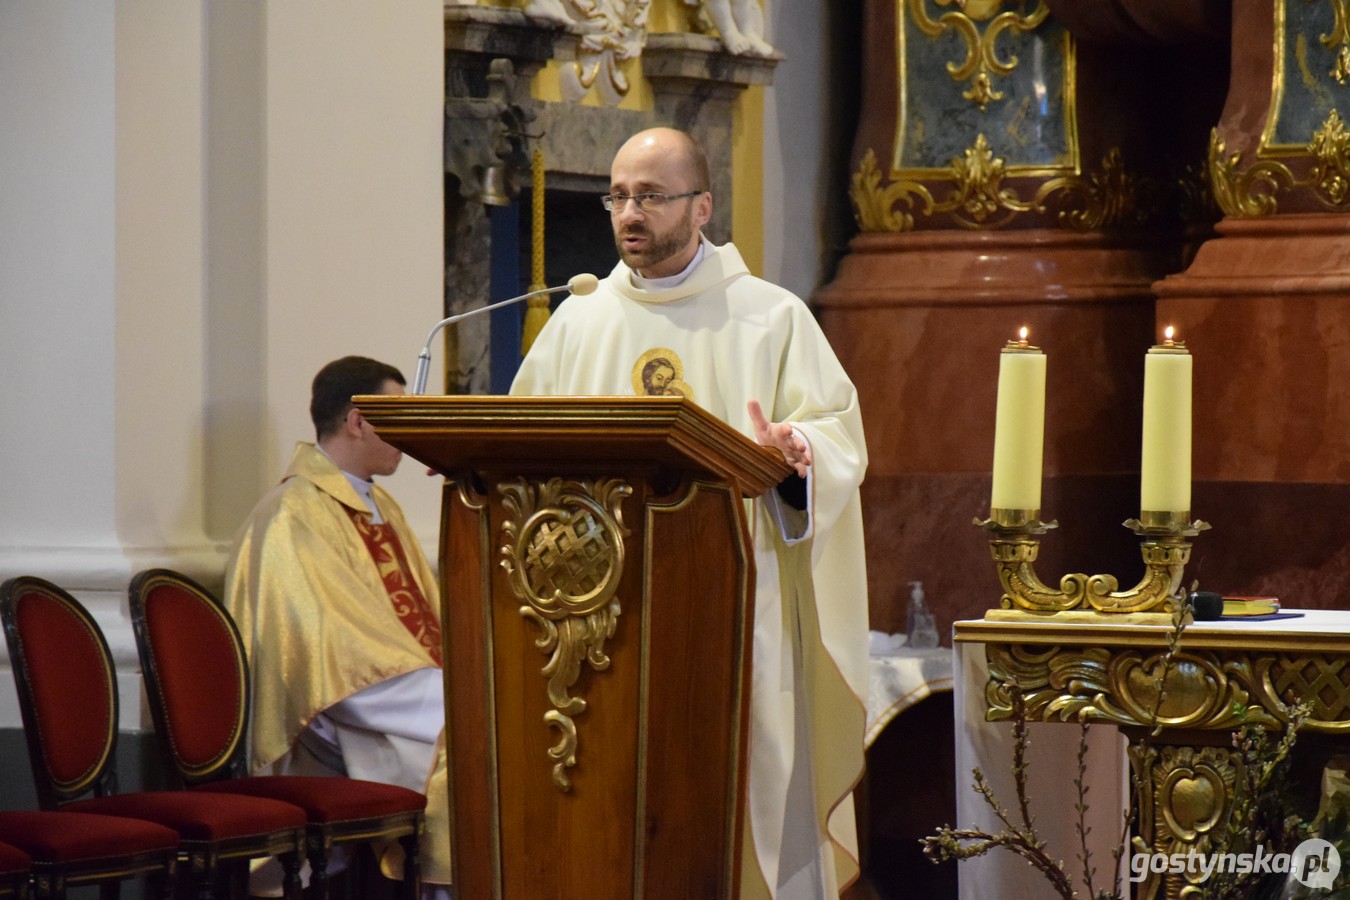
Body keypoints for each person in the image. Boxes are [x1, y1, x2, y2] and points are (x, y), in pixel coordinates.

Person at [510, 127, 869, 900]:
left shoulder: (769, 318)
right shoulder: (577, 321)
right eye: (619, 196)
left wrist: (795, 449)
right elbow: (517, 451)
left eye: (651, 196)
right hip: (598, 617)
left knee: (735, 797)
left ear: (701, 206)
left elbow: (836, 433)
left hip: (732, 611)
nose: (629, 213)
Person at [224, 356, 451, 899]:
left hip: (393, 696)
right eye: (394, 418)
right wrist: (456, 698)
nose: (405, 437)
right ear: (357, 420)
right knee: (470, 752)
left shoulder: (378, 506)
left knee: (486, 734)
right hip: (338, 713)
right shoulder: (292, 515)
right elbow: (319, 650)